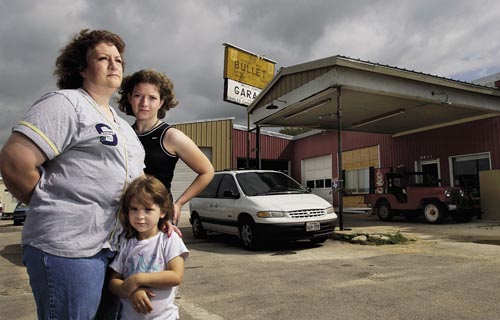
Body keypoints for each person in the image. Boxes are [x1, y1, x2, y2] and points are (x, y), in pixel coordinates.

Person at [0, 29, 145, 319]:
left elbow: (137, 183)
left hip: (114, 248)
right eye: (103, 58)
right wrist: (52, 203)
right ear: (81, 68)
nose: (114, 64)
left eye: (118, 59)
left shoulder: (124, 126)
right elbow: (15, 161)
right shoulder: (66, 103)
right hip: (68, 248)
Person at [118, 69, 214, 225]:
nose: (144, 103)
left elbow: (207, 171)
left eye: (152, 98)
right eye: (138, 96)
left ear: (161, 102)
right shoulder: (123, 134)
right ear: (129, 98)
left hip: (160, 220)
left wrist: (179, 203)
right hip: (129, 217)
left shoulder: (171, 136)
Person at [109, 175, 189, 319]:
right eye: (134, 209)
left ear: (163, 212)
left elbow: (176, 276)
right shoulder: (127, 243)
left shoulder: (169, 239)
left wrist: (138, 279)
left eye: (148, 209)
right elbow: (113, 281)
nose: (140, 216)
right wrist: (131, 290)